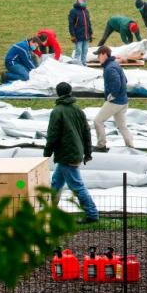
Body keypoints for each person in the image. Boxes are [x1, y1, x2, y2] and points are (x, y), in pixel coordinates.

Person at [44, 82, 98, 224]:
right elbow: (87, 133)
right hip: (74, 153)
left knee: (77, 186)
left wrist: (47, 152)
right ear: (70, 92)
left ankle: (92, 214)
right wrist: (87, 152)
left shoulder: (57, 111)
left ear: (57, 93)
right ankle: (49, 212)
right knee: (56, 182)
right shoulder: (78, 110)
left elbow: (52, 134)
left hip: (66, 154)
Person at [93, 46, 134, 152]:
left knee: (97, 121)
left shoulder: (109, 68)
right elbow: (125, 80)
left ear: (104, 54)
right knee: (122, 126)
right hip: (123, 101)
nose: (98, 58)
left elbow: (118, 83)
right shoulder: (115, 64)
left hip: (115, 102)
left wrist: (112, 96)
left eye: (98, 55)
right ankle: (131, 147)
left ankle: (101, 145)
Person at [68, 0, 93, 66]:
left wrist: (90, 34)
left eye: (84, 1)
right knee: (78, 51)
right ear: (77, 1)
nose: (83, 2)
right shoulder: (73, 11)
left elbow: (89, 23)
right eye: (81, 1)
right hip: (78, 35)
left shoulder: (86, 11)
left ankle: (84, 64)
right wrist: (72, 35)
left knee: (85, 50)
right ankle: (77, 65)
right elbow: (71, 24)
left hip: (86, 35)